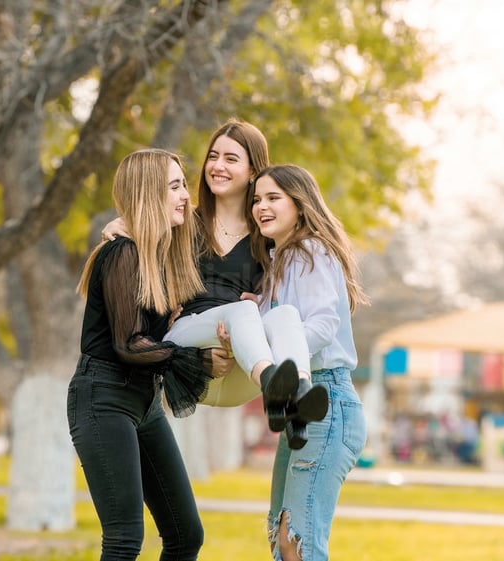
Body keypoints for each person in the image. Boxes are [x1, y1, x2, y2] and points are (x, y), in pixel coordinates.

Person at [102, 119, 327, 448]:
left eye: (231, 159)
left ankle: (297, 398)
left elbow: (296, 266)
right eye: (213, 156)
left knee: (286, 314)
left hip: (237, 364)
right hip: (190, 352)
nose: (217, 166)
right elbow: (142, 219)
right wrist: (117, 224)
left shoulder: (265, 233)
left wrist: (263, 303)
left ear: (253, 171)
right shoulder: (181, 219)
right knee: (242, 310)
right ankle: (273, 386)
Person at [67, 148, 233, 560]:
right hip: (103, 399)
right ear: (148, 194)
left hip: (144, 403)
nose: (185, 197)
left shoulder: (161, 255)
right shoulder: (122, 254)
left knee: (185, 535)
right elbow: (129, 344)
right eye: (174, 187)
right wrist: (196, 363)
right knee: (124, 539)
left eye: (183, 186)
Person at [249, 163, 368, 561]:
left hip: (325, 400)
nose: (261, 207)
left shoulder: (309, 250)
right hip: (302, 409)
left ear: (299, 204)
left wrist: (284, 351)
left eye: (272, 198)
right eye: (256, 200)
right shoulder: (280, 261)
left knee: (298, 541)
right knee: (283, 539)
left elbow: (324, 322)